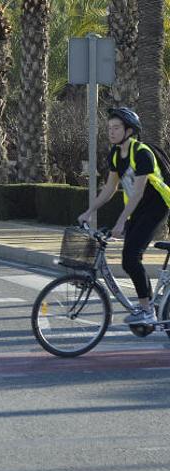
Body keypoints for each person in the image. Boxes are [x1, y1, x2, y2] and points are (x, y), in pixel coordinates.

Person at [78, 107, 170, 327]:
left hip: (157, 206)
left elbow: (138, 192)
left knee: (130, 257)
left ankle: (147, 311)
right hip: (139, 210)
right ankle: (146, 305)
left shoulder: (142, 153)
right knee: (130, 260)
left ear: (129, 130)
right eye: (109, 128)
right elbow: (110, 189)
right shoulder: (116, 155)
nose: (111, 132)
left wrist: (121, 222)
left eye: (116, 128)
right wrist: (88, 211)